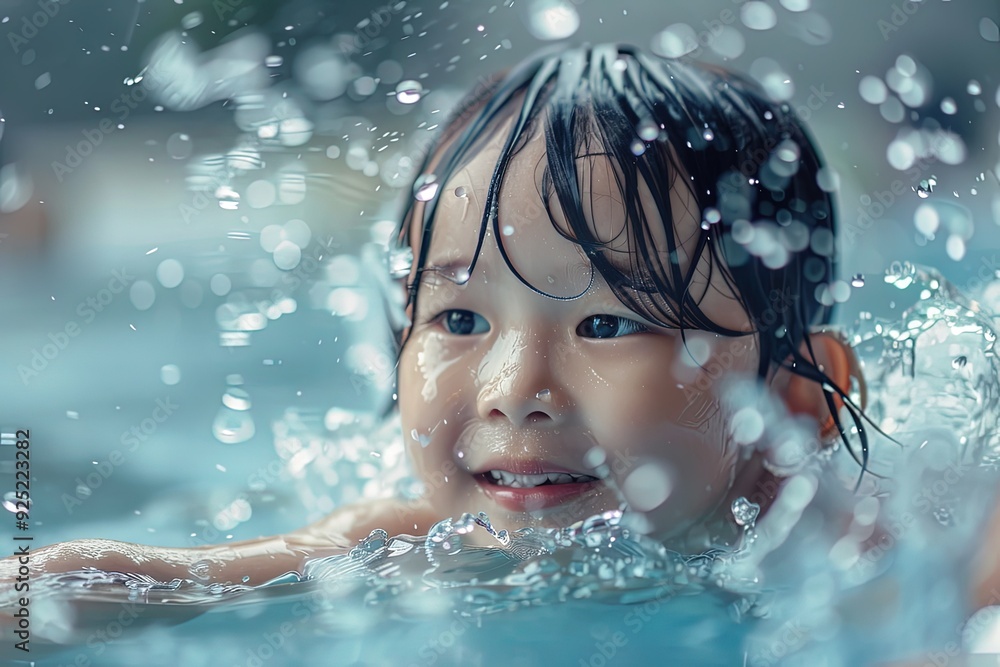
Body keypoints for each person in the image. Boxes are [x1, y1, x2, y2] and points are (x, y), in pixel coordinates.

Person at [2, 42, 993, 652]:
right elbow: (140, 580)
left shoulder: (860, 542)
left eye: (608, 323)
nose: (516, 391)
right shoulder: (410, 544)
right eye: (459, 320)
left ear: (797, 401)